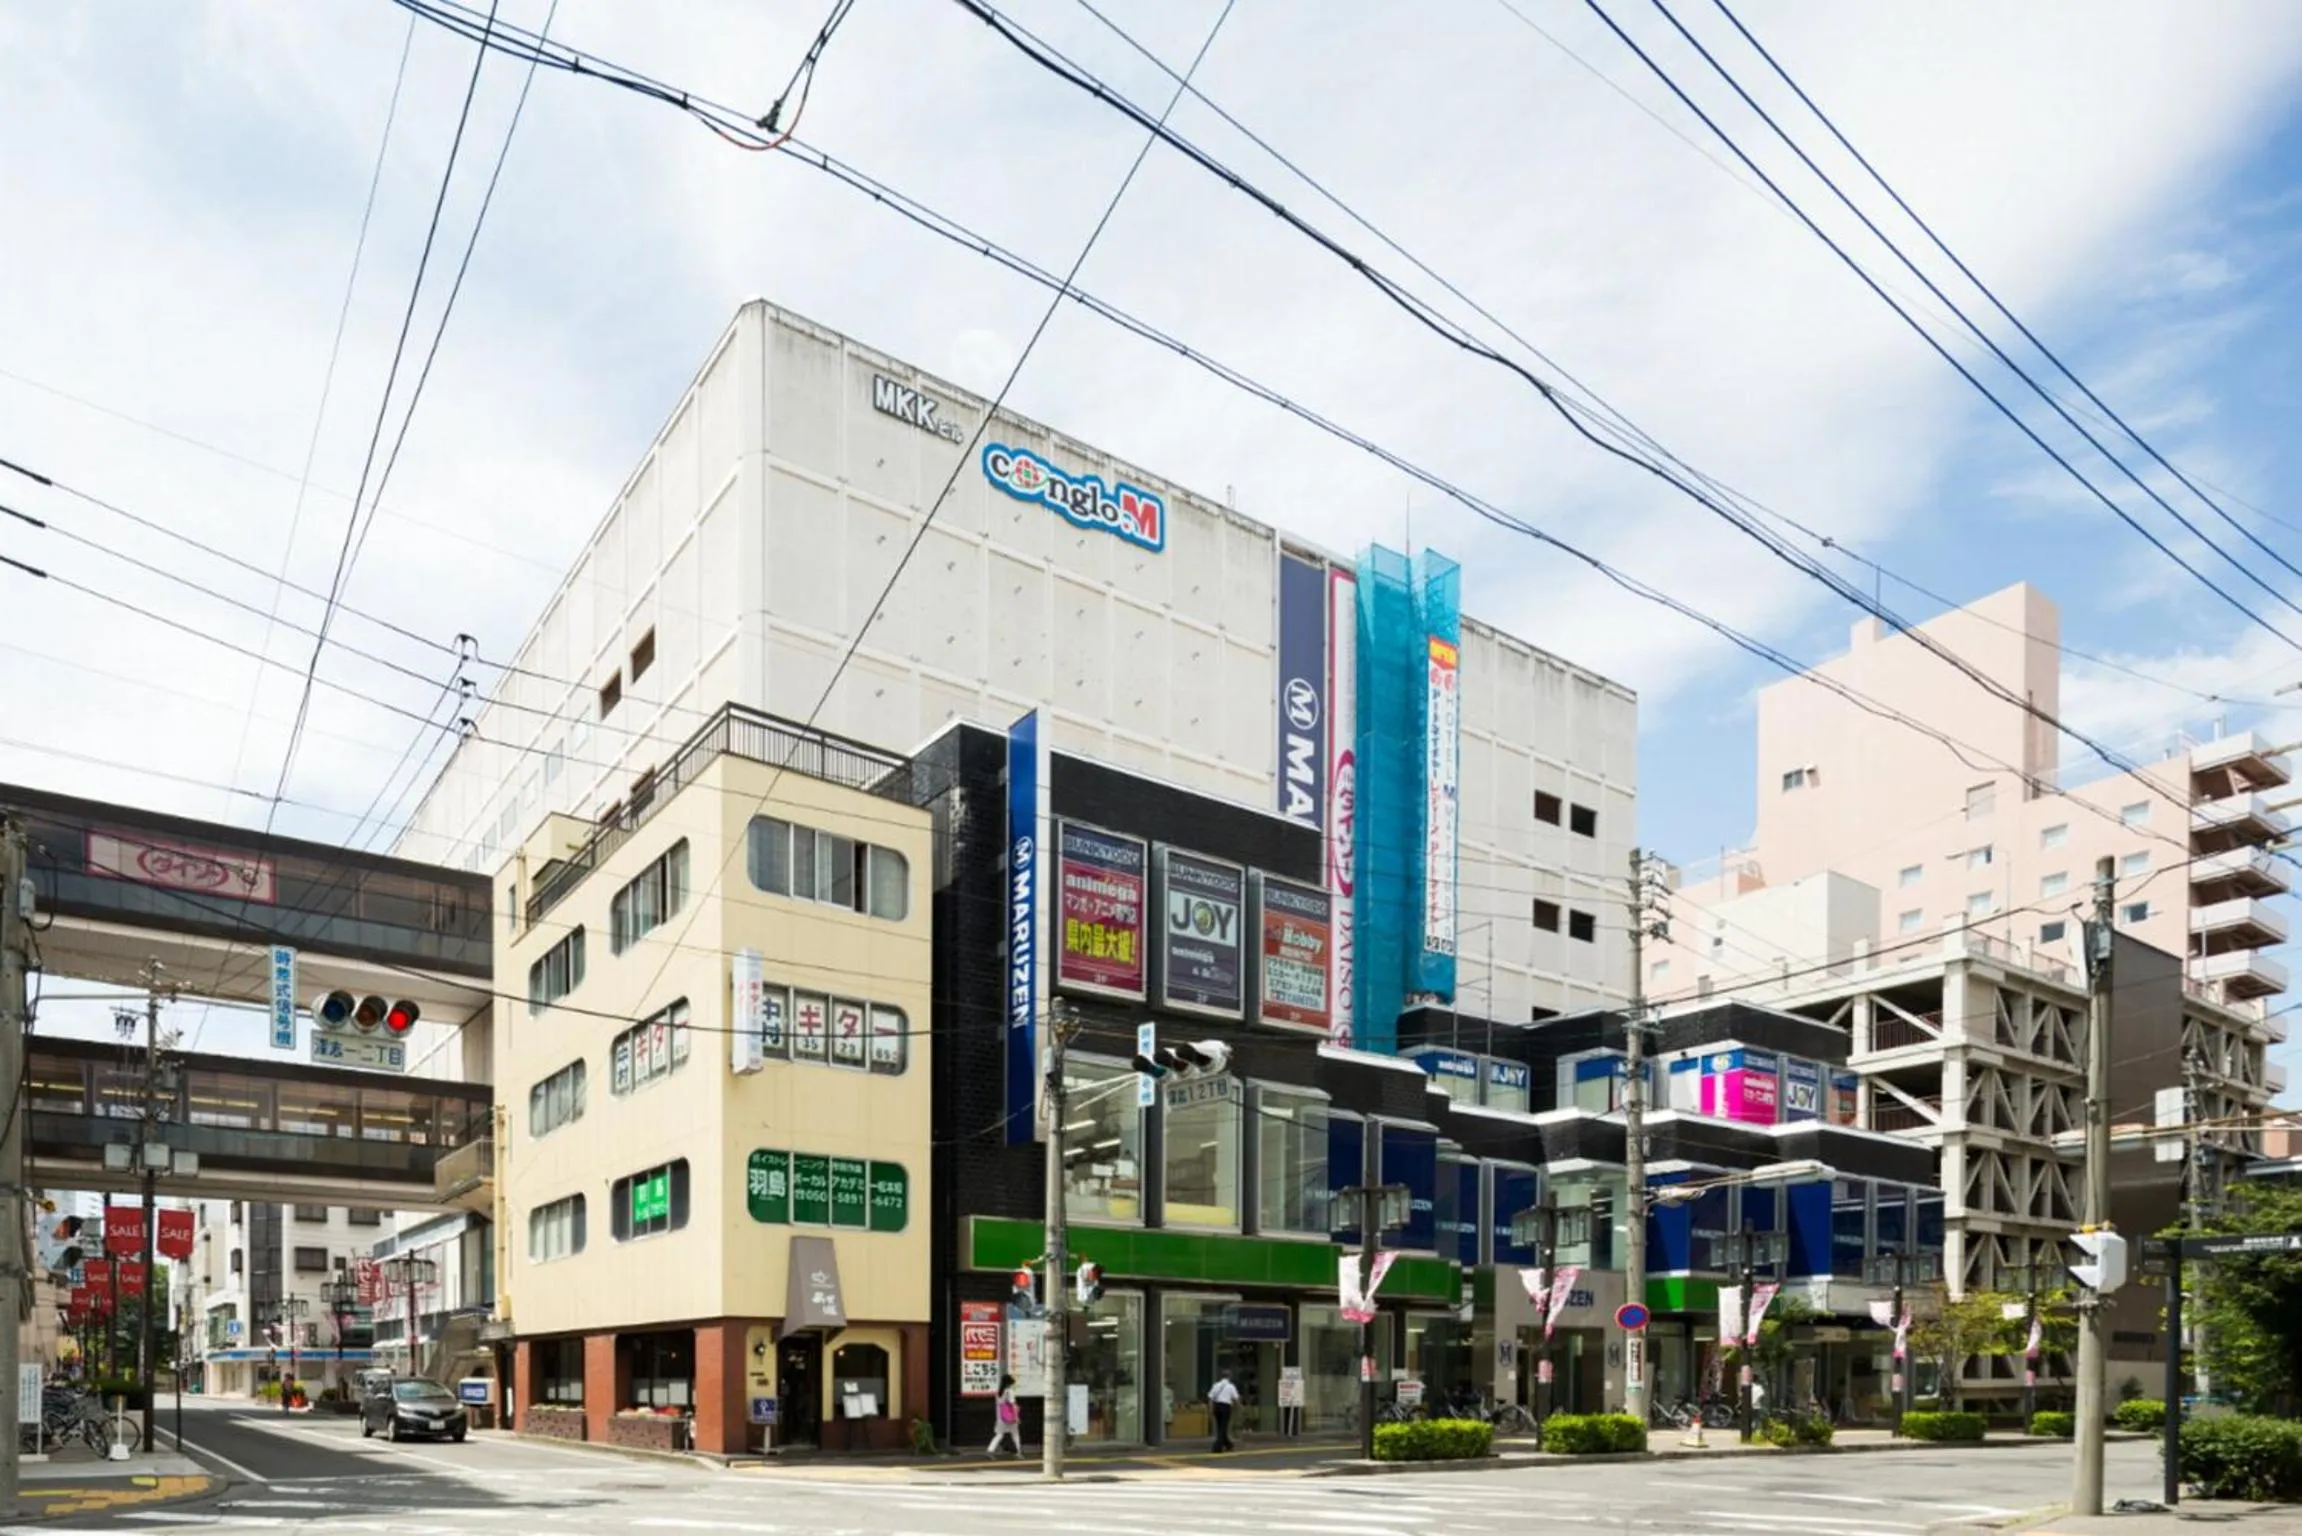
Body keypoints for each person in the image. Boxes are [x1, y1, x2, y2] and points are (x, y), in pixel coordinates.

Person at [1207, 1369, 1240, 1453]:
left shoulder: (1216, 1385)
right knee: (1223, 1427)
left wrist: (1211, 1408)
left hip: (1217, 1406)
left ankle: (1229, 1445)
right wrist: (1238, 1408)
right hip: (1226, 1407)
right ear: (1229, 1376)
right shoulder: (1231, 1386)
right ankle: (1217, 1447)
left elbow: (1210, 1397)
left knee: (1220, 1426)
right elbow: (1236, 1399)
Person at [987, 1374, 1021, 1457]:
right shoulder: (1009, 1391)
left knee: (999, 1434)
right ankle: (1018, 1452)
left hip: (1000, 1417)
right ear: (1009, 1383)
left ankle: (990, 1450)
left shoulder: (998, 1392)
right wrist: (1016, 1417)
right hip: (1010, 1416)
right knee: (1015, 1434)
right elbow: (1013, 1405)